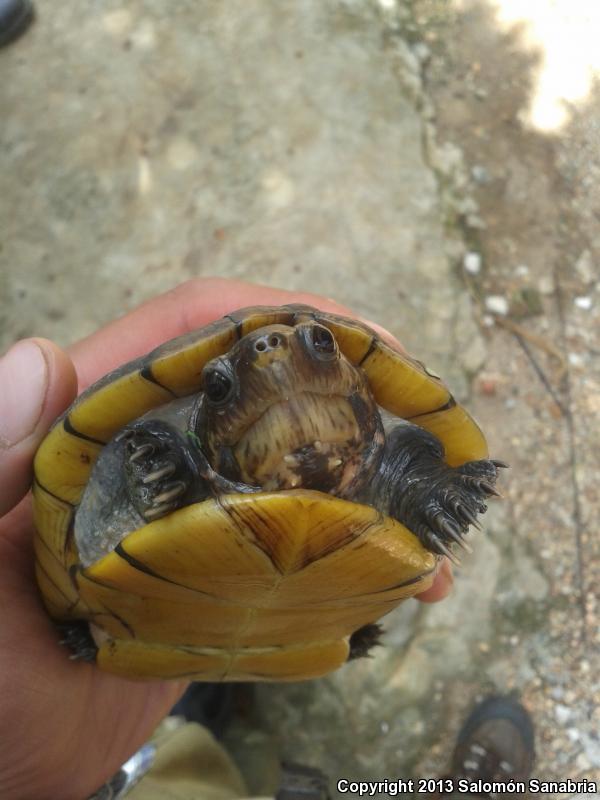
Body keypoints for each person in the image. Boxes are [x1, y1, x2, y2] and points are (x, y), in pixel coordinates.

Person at [0, 279, 453, 799]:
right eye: (219, 388)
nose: (271, 353)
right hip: (122, 632)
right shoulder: (162, 448)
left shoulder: (388, 456)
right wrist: (151, 477)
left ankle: (176, 741)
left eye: (319, 345)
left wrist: (416, 484)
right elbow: (92, 512)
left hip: (163, 632)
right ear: (205, 423)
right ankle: (189, 740)